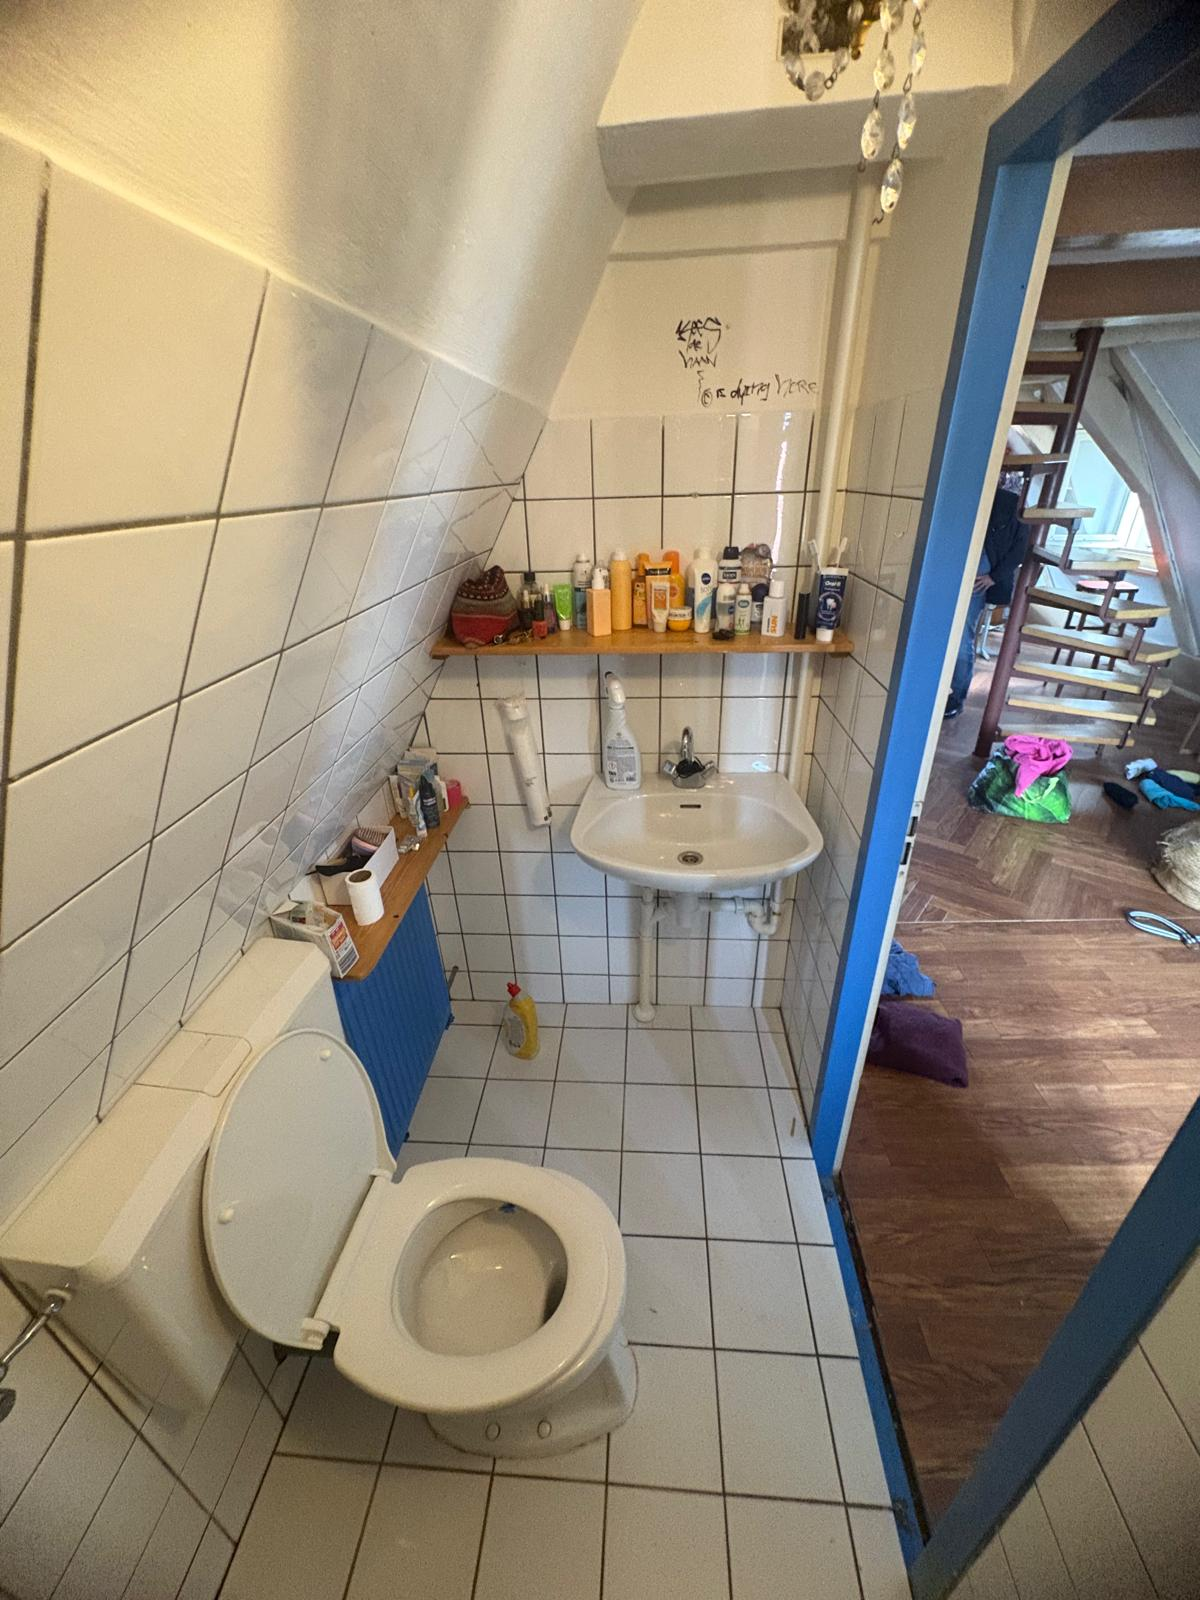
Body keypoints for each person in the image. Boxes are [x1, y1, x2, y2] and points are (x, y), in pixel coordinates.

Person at [945, 484, 1026, 719]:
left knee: (961, 638)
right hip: (956, 572)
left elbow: (1019, 550)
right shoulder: (965, 497)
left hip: (978, 579)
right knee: (954, 636)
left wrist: (994, 577)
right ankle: (946, 693)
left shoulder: (1010, 504)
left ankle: (956, 696)